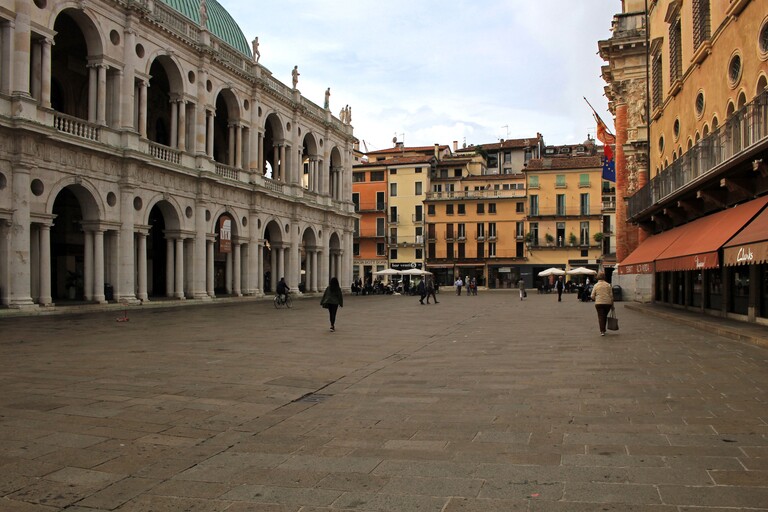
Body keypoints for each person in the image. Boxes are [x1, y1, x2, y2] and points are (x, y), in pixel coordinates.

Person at [590, 271, 614, 336]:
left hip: (599, 303)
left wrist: (596, 299)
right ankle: (604, 328)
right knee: (605, 316)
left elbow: (592, 296)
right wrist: (612, 305)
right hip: (607, 303)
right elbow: (611, 296)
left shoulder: (596, 285)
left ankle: (602, 331)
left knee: (600, 316)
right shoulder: (608, 285)